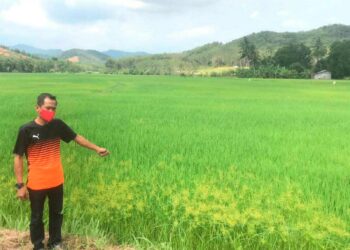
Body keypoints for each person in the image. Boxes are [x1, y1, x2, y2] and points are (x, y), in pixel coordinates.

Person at [13, 93, 109, 250]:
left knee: (57, 213)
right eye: (47, 108)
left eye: (54, 108)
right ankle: (38, 245)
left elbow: (77, 138)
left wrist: (97, 148)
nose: (50, 111)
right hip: (37, 183)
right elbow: (18, 157)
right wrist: (20, 185)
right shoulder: (26, 130)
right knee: (37, 217)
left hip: (56, 180)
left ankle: (55, 242)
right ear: (37, 108)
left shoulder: (57, 125)